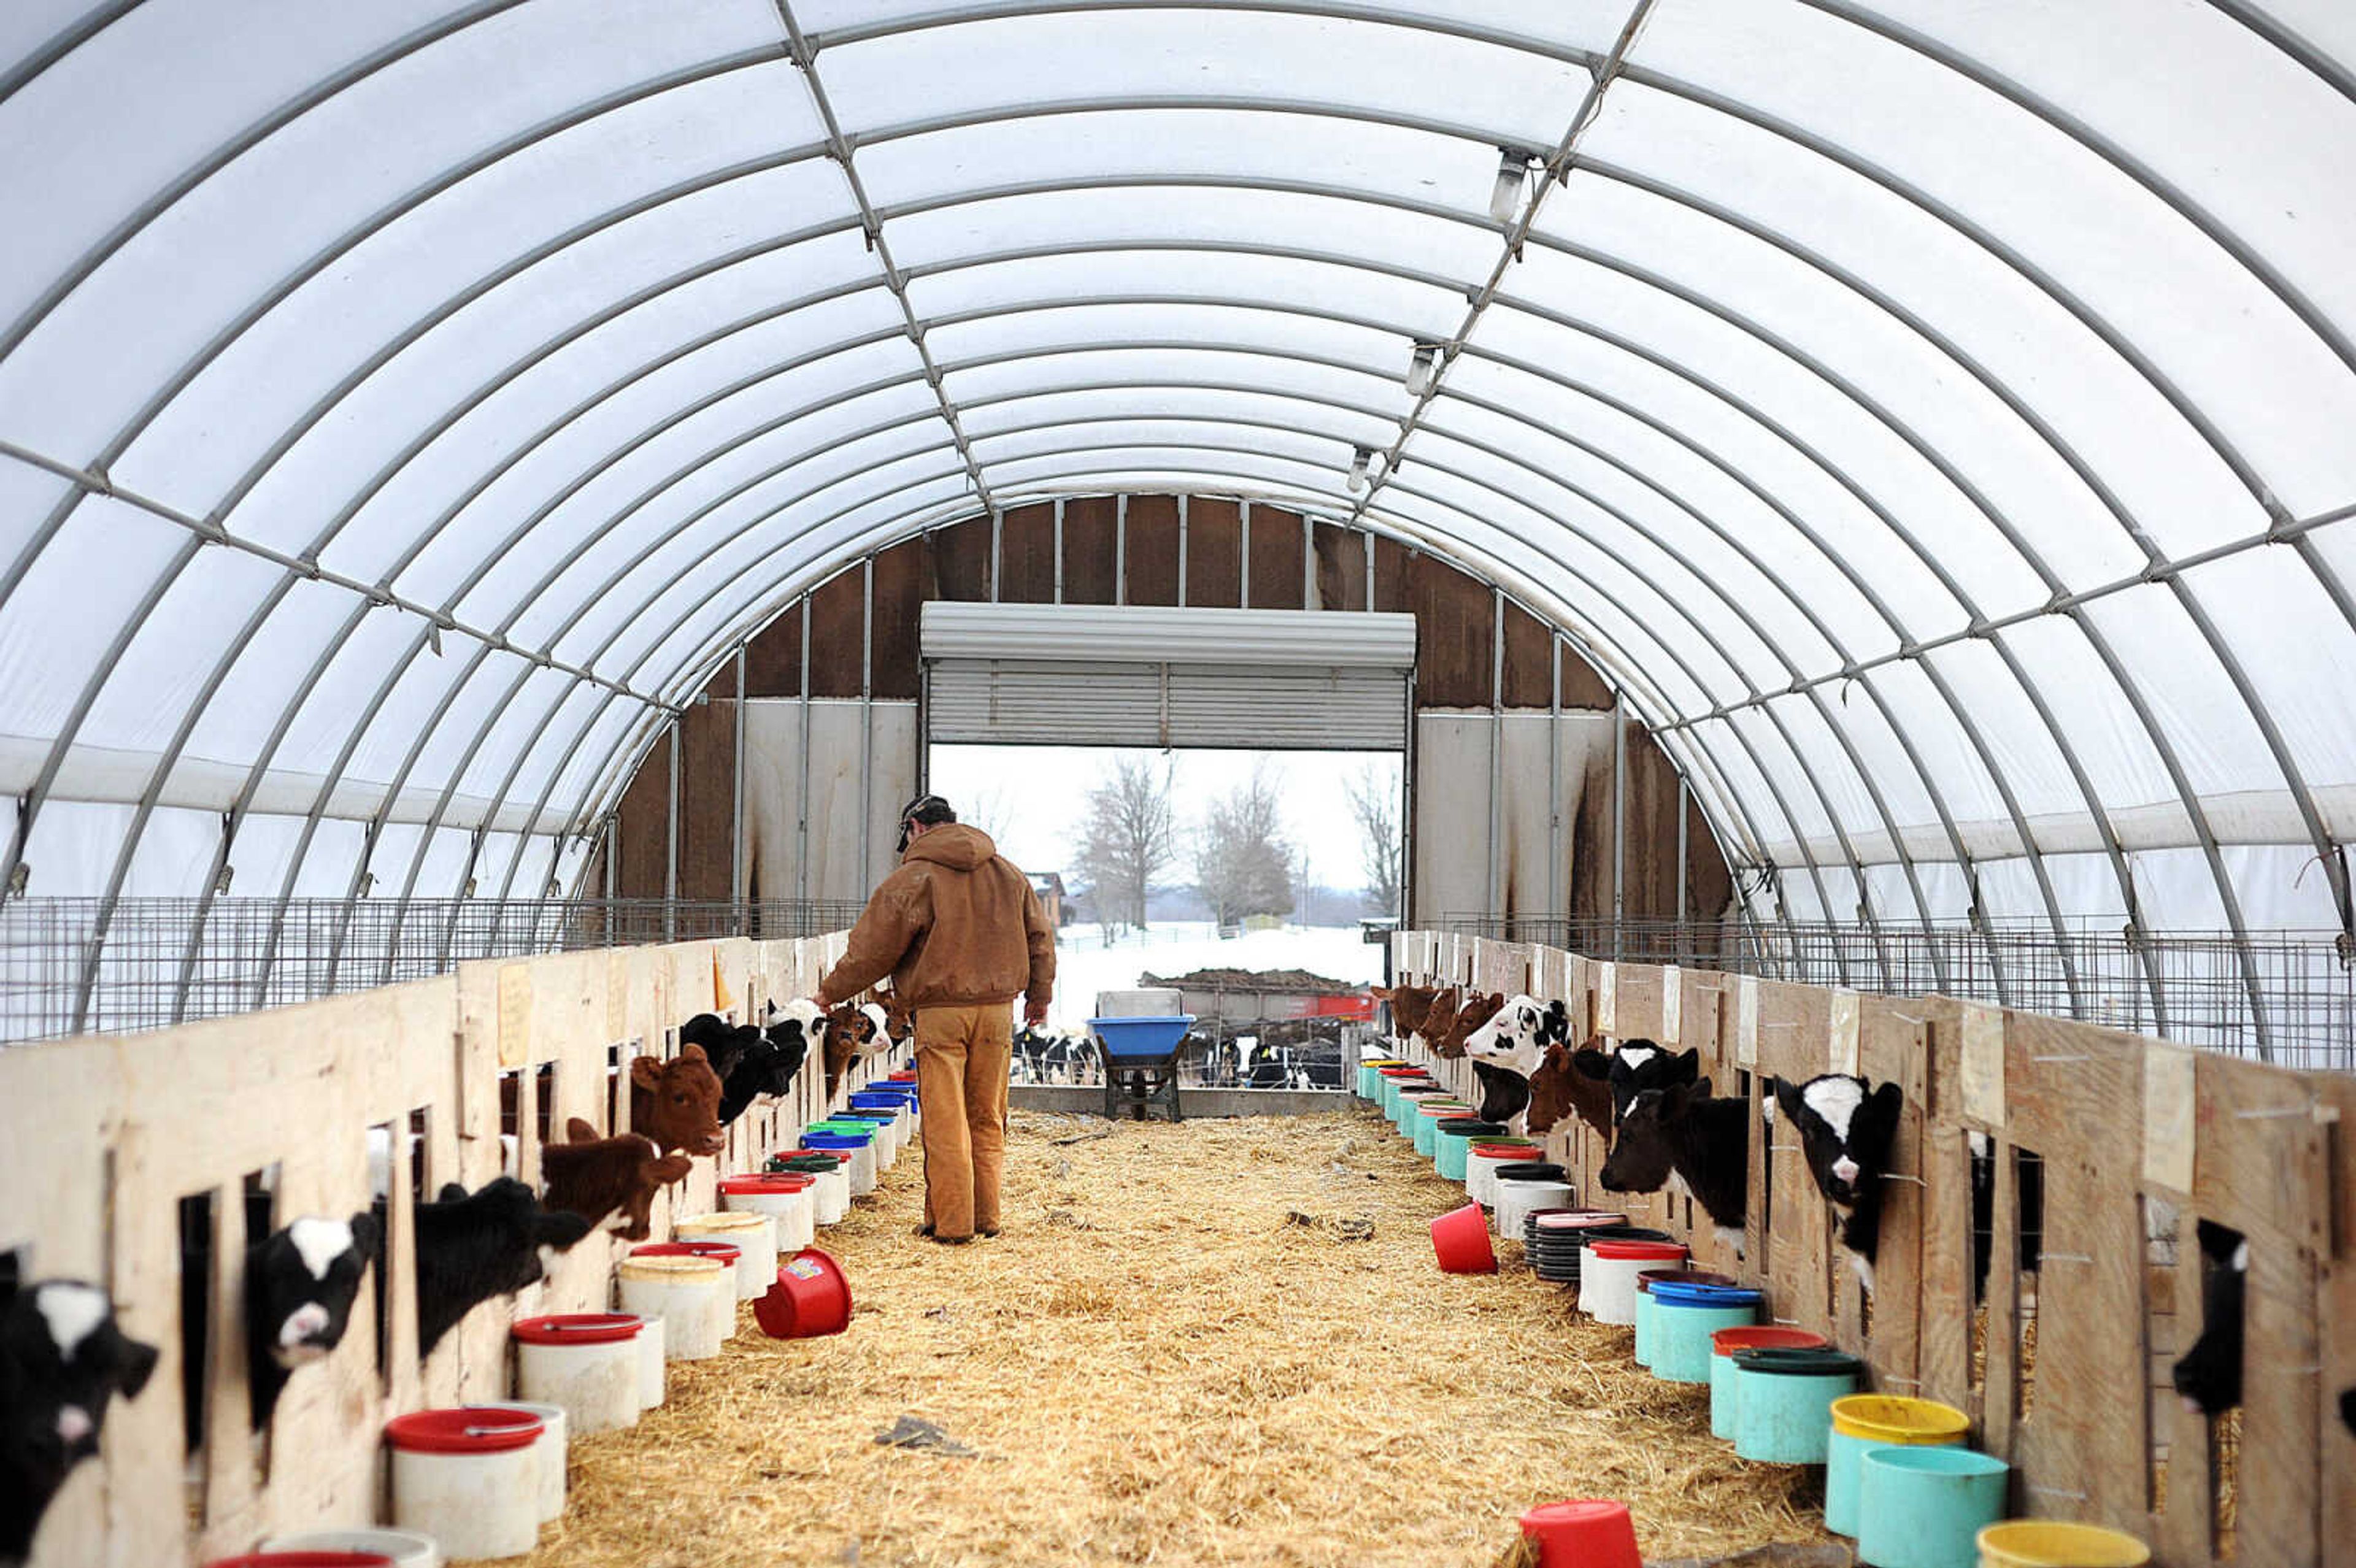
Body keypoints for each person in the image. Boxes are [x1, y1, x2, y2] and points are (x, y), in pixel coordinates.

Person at [814, 793, 1054, 1244]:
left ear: (917, 828)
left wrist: (830, 993)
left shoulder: (914, 878)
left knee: (946, 1121)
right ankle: (987, 1218)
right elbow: (1039, 938)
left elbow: (873, 952)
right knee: (986, 1116)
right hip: (999, 1012)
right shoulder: (1008, 874)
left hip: (942, 1014)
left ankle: (953, 1225)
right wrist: (1039, 995)